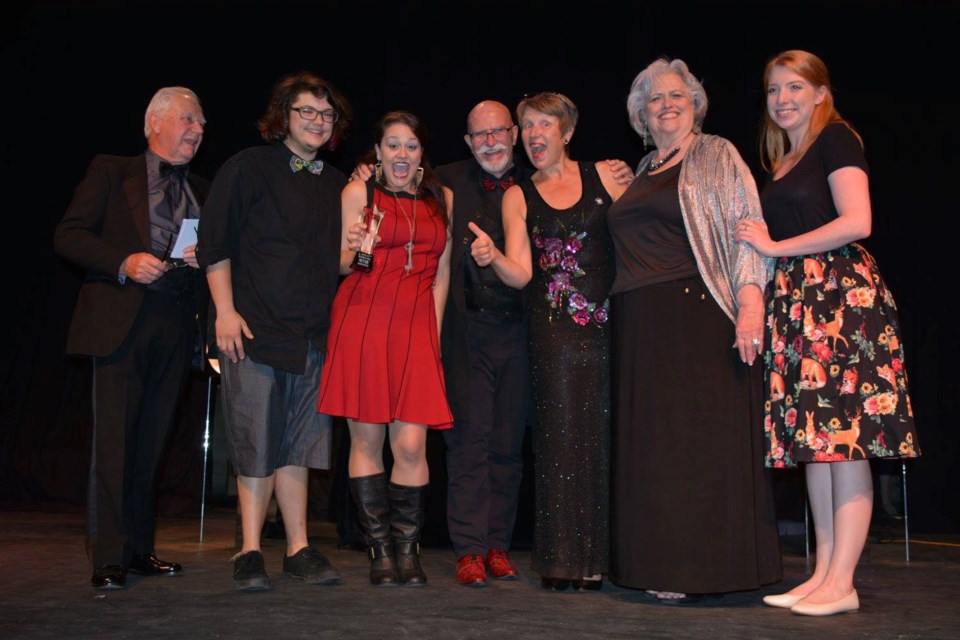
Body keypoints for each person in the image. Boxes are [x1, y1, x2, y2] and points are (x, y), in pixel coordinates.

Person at [349, 102, 633, 588]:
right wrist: (366, 168)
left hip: (527, 334)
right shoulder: (444, 180)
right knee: (467, 444)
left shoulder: (535, 179)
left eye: (500, 131)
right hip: (465, 334)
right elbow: (391, 179)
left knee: (507, 446)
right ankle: (469, 550)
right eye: (479, 135)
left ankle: (498, 546)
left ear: (514, 134)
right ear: (466, 141)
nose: (491, 142)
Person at [735, 49, 920, 616]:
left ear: (820, 92)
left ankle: (844, 582)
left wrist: (773, 246)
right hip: (797, 303)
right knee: (816, 445)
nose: (783, 99)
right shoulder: (784, 160)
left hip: (840, 299)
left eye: (795, 87)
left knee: (846, 440)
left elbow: (857, 220)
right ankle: (822, 575)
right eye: (773, 90)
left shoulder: (837, 138)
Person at [604, 57, 784, 606]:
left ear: (694, 104)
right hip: (640, 319)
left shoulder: (715, 154)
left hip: (696, 311)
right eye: (654, 98)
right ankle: (657, 560)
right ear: (640, 113)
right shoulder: (640, 170)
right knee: (655, 449)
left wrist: (751, 302)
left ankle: (698, 567)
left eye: (677, 95)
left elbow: (745, 225)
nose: (666, 103)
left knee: (695, 444)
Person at [197, 71, 352, 592]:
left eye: (326, 115)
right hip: (253, 330)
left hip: (313, 336)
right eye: (306, 111)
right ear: (283, 115)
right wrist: (224, 311)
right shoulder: (247, 167)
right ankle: (247, 550)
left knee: (301, 446)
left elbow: (342, 262)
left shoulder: (336, 183)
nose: (316, 121)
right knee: (255, 442)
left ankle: (299, 548)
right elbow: (213, 243)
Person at [469, 91, 627, 591]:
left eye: (545, 124)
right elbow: (520, 275)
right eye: (528, 125)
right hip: (553, 337)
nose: (536, 133)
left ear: (567, 131)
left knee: (603, 443)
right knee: (559, 448)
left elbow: (640, 237)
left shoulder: (606, 177)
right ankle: (561, 562)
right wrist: (492, 255)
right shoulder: (519, 194)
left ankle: (602, 559)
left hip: (609, 331)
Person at [54, 86, 209, 589]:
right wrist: (122, 262)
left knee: (153, 443)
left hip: (176, 324)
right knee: (115, 443)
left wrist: (200, 260)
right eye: (189, 119)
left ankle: (140, 549)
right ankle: (108, 555)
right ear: (155, 122)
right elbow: (69, 234)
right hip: (120, 321)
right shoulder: (111, 169)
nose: (198, 130)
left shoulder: (202, 188)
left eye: (203, 124)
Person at [318, 110, 454, 588]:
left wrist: (432, 337)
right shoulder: (359, 193)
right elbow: (340, 265)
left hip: (415, 331)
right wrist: (358, 247)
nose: (401, 154)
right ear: (377, 151)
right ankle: (380, 552)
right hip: (364, 325)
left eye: (411, 145)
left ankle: (409, 550)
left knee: (412, 444)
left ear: (422, 152)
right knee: (366, 441)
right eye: (392, 145)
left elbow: (442, 274)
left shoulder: (442, 198)